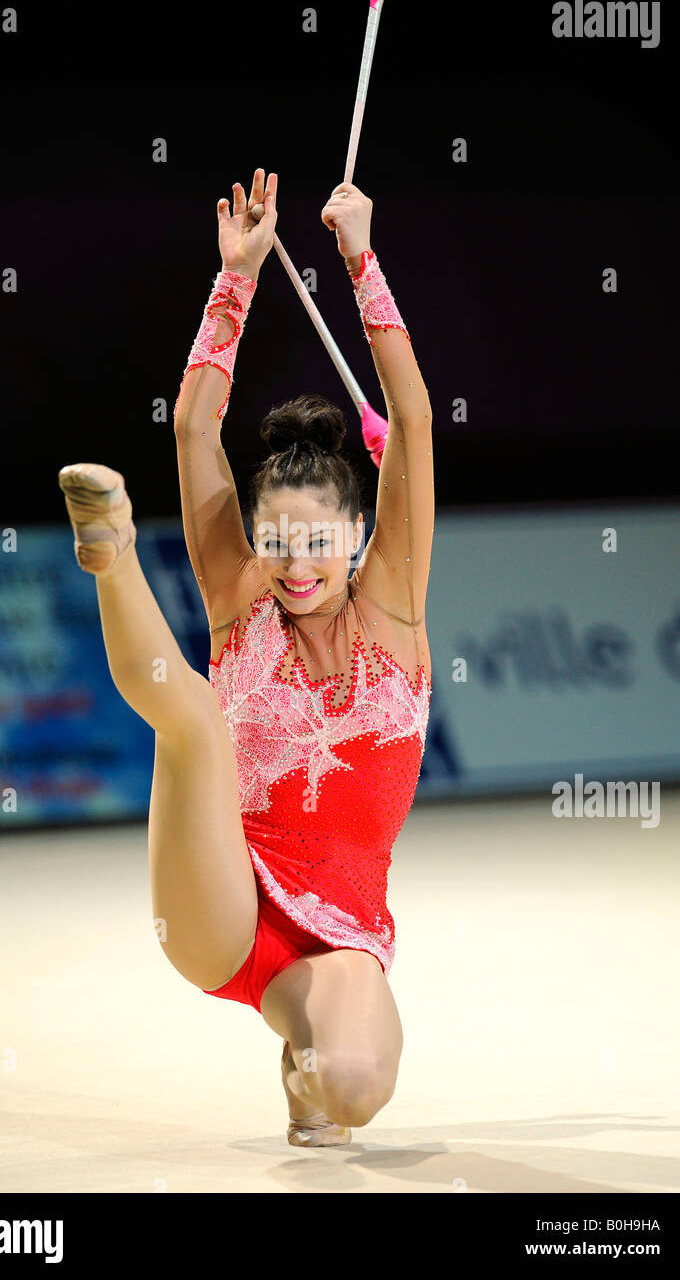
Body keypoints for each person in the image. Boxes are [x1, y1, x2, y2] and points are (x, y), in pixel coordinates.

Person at [58, 168, 434, 1146]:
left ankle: (308, 1089)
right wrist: (238, 278)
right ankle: (111, 556)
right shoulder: (242, 604)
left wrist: (362, 255)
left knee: (351, 1088)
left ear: (359, 535)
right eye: (277, 543)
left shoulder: (392, 612)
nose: (296, 565)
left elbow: (418, 422)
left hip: (337, 937)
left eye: (318, 543)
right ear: (255, 543)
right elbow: (194, 428)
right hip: (220, 903)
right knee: (192, 719)